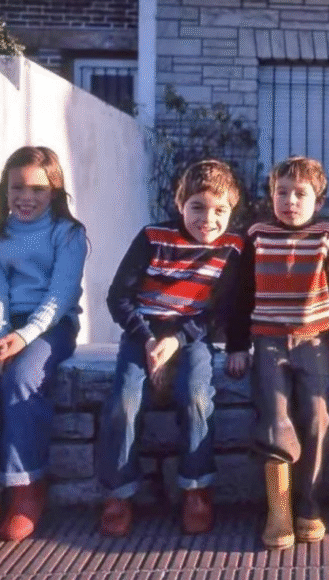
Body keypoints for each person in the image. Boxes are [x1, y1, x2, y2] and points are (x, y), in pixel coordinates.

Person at [0, 146, 88, 550]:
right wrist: (0, 332)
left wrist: (25, 340)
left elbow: (60, 294)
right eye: (17, 188)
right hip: (3, 326)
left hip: (51, 326)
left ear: (55, 191)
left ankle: (26, 489)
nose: (25, 197)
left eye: (37, 189)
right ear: (4, 190)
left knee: (24, 380)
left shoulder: (69, 233)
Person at [97, 160, 243, 537]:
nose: (207, 219)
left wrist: (176, 340)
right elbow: (118, 297)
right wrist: (147, 338)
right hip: (142, 331)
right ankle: (119, 491)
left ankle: (197, 488)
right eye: (197, 207)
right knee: (125, 401)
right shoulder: (152, 237)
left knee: (195, 396)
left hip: (192, 334)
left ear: (231, 211)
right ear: (181, 204)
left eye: (219, 210)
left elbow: (218, 312)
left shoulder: (232, 248)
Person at [225, 156, 329, 549]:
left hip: (314, 341)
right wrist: (236, 346)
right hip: (268, 340)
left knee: (317, 417)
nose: (290, 201)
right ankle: (278, 510)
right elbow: (241, 294)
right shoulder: (257, 235)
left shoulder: (328, 236)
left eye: (300, 194)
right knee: (275, 415)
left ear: (319, 201)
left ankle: (308, 505)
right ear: (271, 195)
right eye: (282, 192)